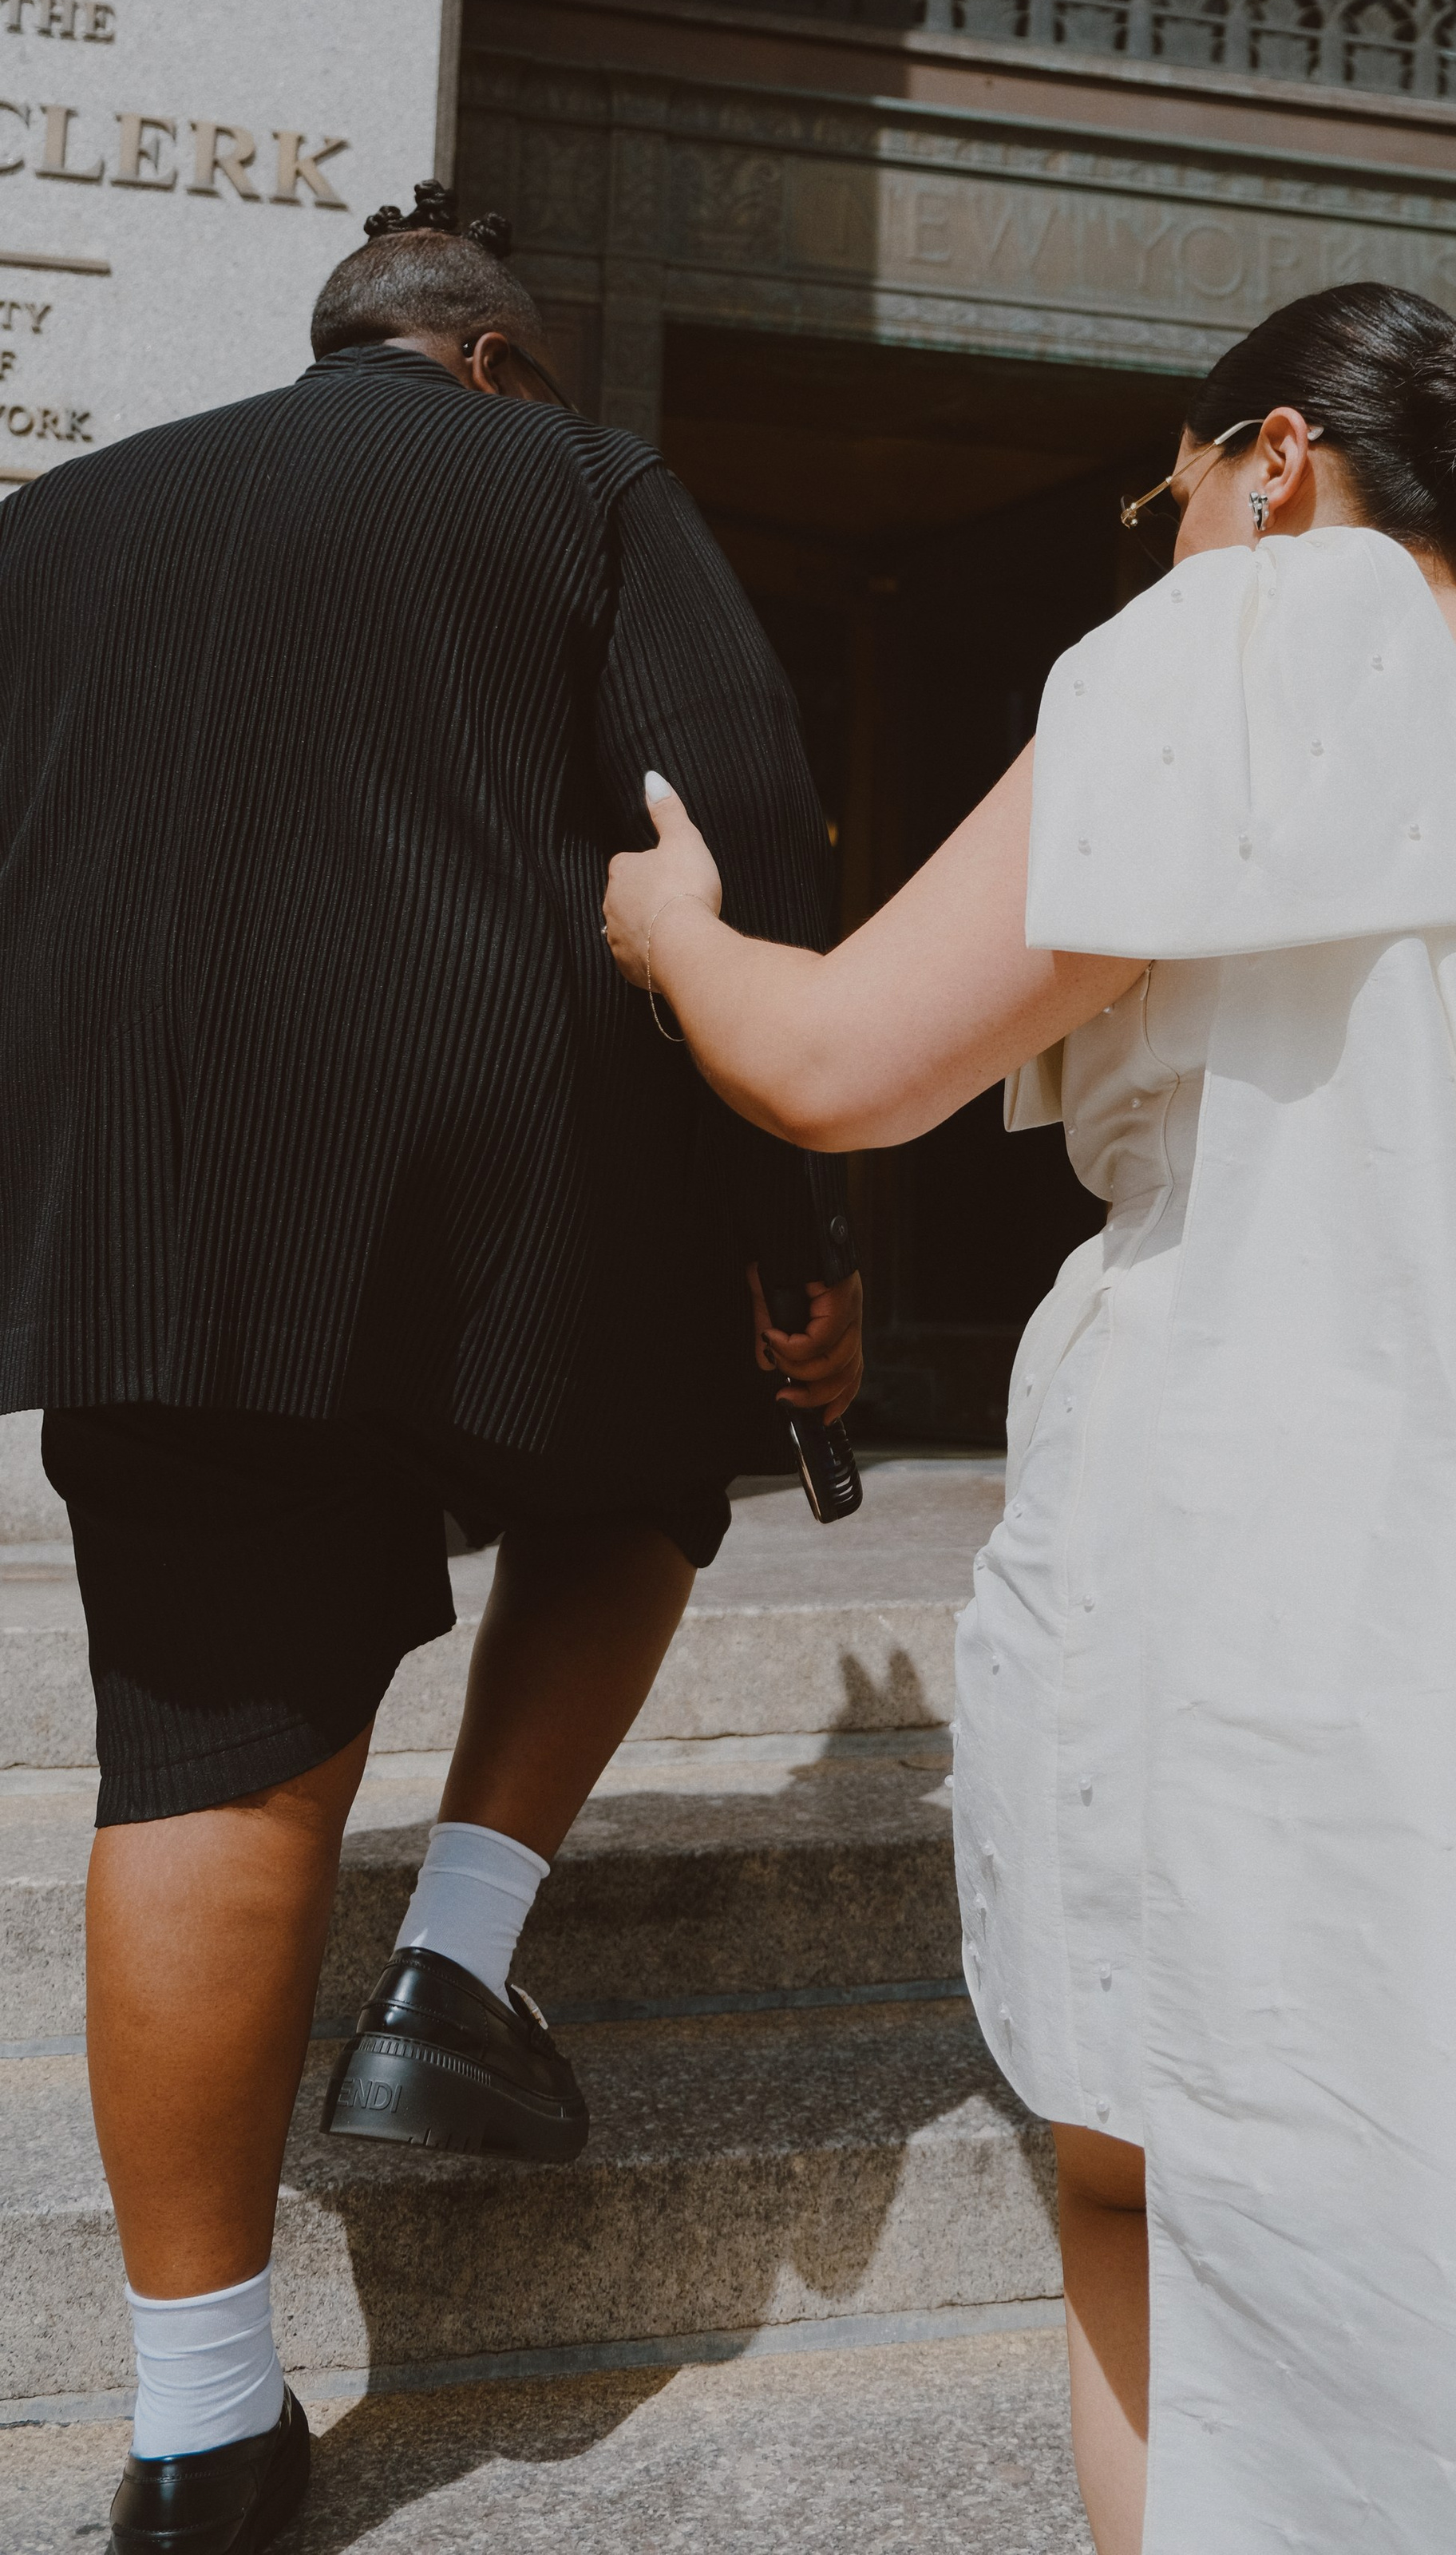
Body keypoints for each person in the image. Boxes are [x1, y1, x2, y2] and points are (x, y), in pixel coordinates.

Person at [604, 280, 1456, 2554]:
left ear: (1273, 459)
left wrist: (673, 929)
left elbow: (844, 1062)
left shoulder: (1248, 641)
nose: (1158, 554)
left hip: (1279, 1537)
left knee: (1179, 2170)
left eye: (1164, 499)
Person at [0, 184, 859, 2555]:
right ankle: (456, 1975)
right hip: (500, 1166)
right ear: (490, 365)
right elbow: (737, 821)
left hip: (159, 1201)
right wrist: (795, 1239)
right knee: (667, 1442)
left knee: (206, 1758)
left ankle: (196, 2438)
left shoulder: (63, 517)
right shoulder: (574, 478)